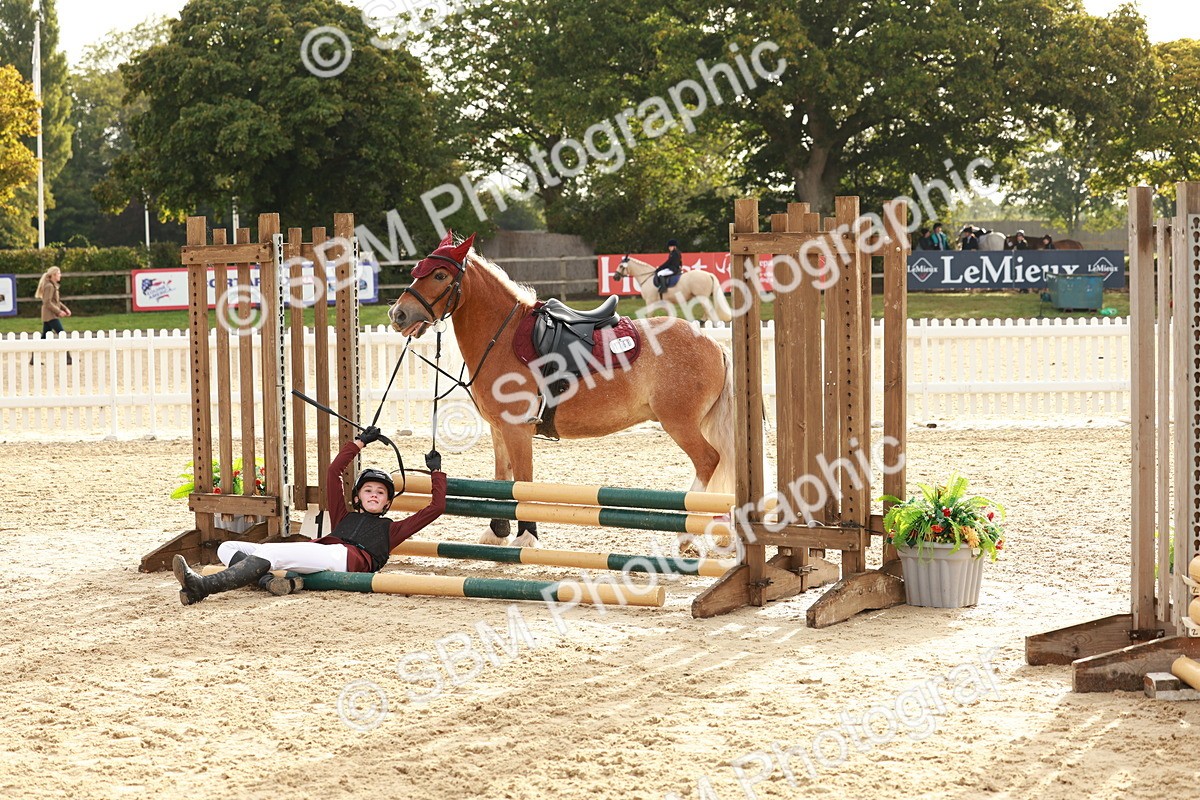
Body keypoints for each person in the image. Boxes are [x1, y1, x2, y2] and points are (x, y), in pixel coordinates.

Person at [172, 428, 447, 605]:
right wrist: (359, 443)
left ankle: (202, 586)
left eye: (380, 493)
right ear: (357, 498)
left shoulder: (392, 530)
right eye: (368, 490)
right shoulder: (343, 516)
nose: (374, 495)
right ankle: (270, 582)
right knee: (228, 547)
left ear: (387, 502)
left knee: (270, 554)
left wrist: (436, 472)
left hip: (345, 560)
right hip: (322, 552)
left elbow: (435, 508)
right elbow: (333, 472)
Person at [33, 266, 71, 365]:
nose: (60, 275)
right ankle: (68, 358)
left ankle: (34, 358)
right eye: (59, 273)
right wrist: (58, 312)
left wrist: (65, 309)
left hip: (49, 315)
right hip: (50, 315)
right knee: (62, 334)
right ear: (54, 275)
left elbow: (56, 301)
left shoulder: (52, 285)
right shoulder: (49, 286)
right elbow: (47, 302)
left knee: (44, 337)